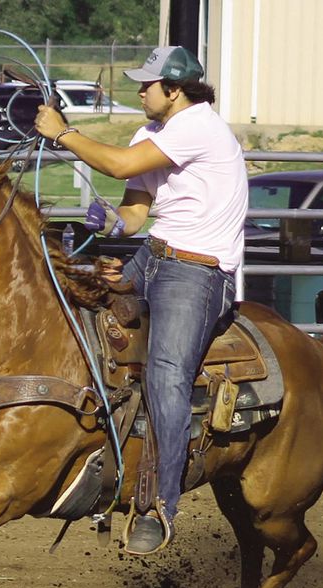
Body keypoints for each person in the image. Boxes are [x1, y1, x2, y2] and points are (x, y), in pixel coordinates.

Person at [34, 46, 246, 555]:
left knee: (166, 375)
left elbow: (121, 164)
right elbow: (134, 215)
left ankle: (158, 506)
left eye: (147, 85)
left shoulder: (198, 125)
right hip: (150, 259)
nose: (139, 92)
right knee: (78, 325)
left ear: (174, 90)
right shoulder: (152, 133)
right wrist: (108, 224)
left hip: (196, 273)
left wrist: (64, 134)